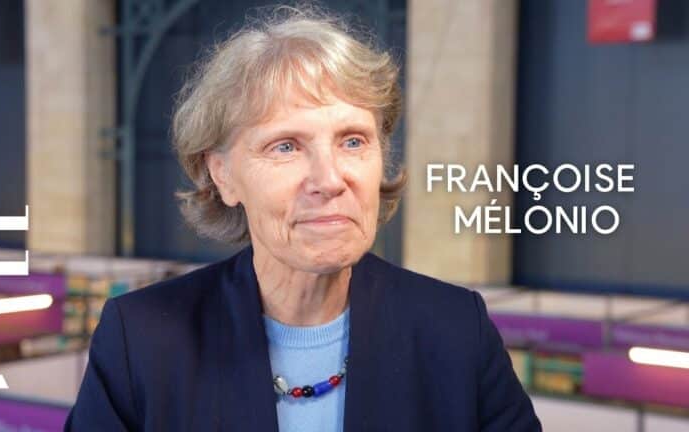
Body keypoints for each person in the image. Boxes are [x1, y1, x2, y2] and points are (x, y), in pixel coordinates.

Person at [64, 6, 542, 431]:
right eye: (286, 146)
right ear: (223, 175)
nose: (329, 179)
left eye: (352, 141)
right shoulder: (142, 340)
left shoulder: (456, 330)